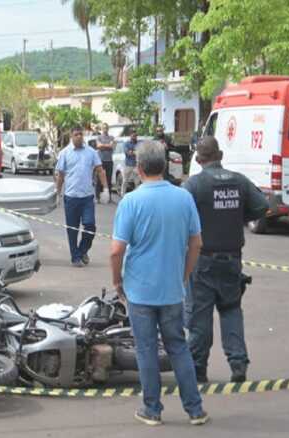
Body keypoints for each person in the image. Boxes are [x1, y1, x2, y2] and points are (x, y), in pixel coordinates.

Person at [110, 140, 208, 427]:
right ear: (164, 166)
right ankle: (195, 409)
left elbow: (116, 250)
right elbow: (196, 243)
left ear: (138, 168)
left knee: (146, 349)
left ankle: (152, 409)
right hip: (172, 289)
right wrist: (184, 275)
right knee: (178, 346)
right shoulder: (183, 197)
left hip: (140, 290)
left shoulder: (131, 201)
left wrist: (117, 282)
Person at [183, 136, 269, 383]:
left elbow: (180, 213)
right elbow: (262, 205)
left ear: (198, 159)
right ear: (220, 155)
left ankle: (198, 369)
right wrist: (240, 216)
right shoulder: (239, 181)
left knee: (200, 315)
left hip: (203, 260)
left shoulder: (195, 185)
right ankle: (238, 364)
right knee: (231, 310)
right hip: (232, 259)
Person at [55, 126, 109, 268]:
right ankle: (75, 258)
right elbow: (60, 176)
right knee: (72, 229)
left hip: (87, 197)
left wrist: (106, 189)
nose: (79, 136)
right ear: (71, 136)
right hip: (71, 197)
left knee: (90, 226)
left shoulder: (91, 153)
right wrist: (57, 194)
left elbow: (100, 170)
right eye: (76, 134)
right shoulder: (64, 153)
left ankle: (82, 250)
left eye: (80, 134)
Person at [95, 123, 115, 203]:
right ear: (101, 129)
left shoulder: (111, 137)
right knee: (99, 179)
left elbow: (112, 146)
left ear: (108, 128)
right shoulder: (99, 137)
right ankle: (97, 197)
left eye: (106, 128)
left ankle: (109, 197)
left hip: (109, 161)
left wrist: (103, 146)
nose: (105, 129)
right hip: (101, 161)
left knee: (109, 179)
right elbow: (98, 146)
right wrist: (107, 145)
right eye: (103, 128)